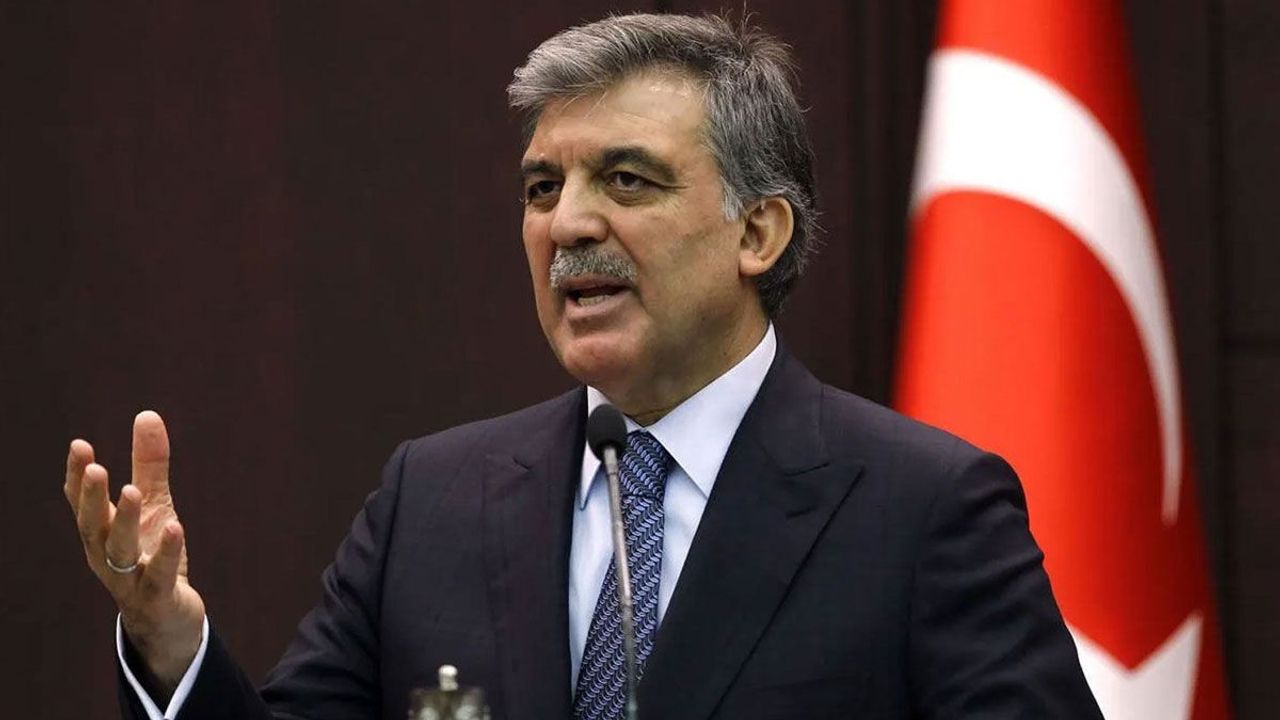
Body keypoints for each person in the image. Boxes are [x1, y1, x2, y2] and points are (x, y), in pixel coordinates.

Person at [64, 12, 1103, 720]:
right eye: (540, 188)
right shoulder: (432, 500)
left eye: (626, 180)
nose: (566, 224)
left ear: (758, 233)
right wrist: (169, 643)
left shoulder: (922, 511)